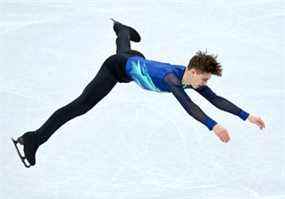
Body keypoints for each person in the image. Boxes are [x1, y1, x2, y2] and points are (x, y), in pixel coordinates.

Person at [13, 18, 266, 168]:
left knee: (126, 51)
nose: (204, 84)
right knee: (79, 106)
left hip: (136, 62)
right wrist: (213, 126)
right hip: (116, 70)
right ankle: (34, 138)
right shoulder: (172, 79)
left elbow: (215, 99)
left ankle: (122, 30)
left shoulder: (189, 77)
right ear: (191, 70)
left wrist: (247, 116)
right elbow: (190, 106)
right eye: (204, 78)